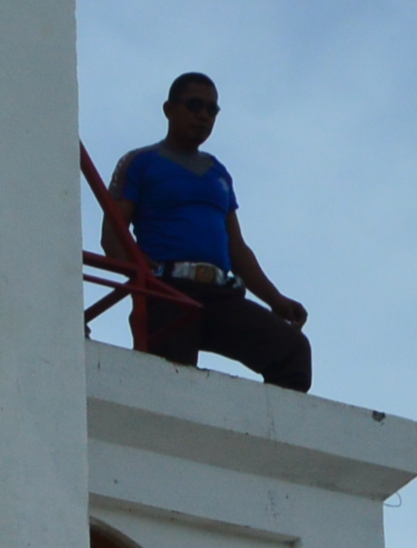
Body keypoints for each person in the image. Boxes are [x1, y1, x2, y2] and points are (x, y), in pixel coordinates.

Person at [100, 72, 312, 391]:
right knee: (172, 385)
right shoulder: (140, 163)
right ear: (169, 109)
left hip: (220, 294)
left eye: (212, 110)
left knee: (291, 350)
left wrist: (275, 299)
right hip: (168, 291)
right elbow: (113, 235)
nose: (203, 115)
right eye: (194, 105)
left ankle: (264, 438)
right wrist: (147, 280)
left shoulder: (218, 173)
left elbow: (236, 248)